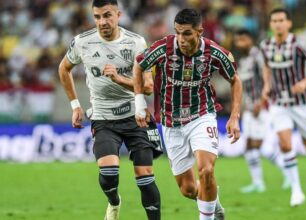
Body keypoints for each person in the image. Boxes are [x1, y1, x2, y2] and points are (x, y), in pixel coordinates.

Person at [132, 8, 242, 220]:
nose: (181, 39)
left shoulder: (213, 52)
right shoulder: (164, 47)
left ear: (199, 31)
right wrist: (139, 104)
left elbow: (235, 79)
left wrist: (235, 115)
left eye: (187, 33)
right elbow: (139, 64)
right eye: (178, 32)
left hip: (202, 115)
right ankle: (213, 203)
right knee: (189, 190)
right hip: (171, 122)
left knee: (206, 170)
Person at [58, 0, 163, 219]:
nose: (102, 22)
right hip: (104, 118)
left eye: (107, 15)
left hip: (137, 116)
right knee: (108, 173)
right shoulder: (82, 42)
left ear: (118, 14)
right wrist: (75, 106)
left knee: (145, 178)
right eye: (97, 17)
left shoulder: (136, 42)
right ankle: (114, 202)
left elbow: (149, 87)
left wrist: (118, 78)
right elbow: (64, 68)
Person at [260, 8, 306, 207]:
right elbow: (266, 66)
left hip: (301, 103)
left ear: (289, 23)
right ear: (271, 24)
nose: (277, 24)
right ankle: (296, 190)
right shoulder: (265, 46)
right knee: (285, 144)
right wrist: (267, 85)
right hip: (278, 103)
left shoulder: (298, 44)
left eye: (281, 20)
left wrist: (305, 82)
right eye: (274, 20)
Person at [233, 29, 290, 193]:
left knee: (261, 146)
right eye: (238, 40)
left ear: (251, 39)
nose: (240, 43)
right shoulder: (242, 59)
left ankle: (289, 175)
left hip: (261, 107)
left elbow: (269, 80)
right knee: (249, 146)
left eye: (243, 39)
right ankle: (258, 183)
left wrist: (262, 101)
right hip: (249, 108)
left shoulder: (258, 55)